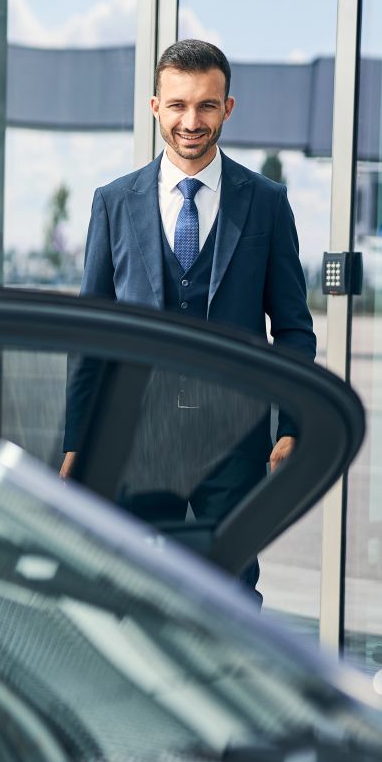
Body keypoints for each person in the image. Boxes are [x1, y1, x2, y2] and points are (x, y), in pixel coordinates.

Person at [61, 39, 316, 598]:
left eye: (205, 105)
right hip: (136, 439)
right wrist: (77, 442)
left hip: (236, 438)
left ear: (228, 108)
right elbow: (92, 334)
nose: (190, 121)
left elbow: (294, 328)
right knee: (133, 587)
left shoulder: (267, 202)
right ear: (156, 107)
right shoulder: (114, 202)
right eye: (177, 105)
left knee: (231, 591)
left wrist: (293, 424)